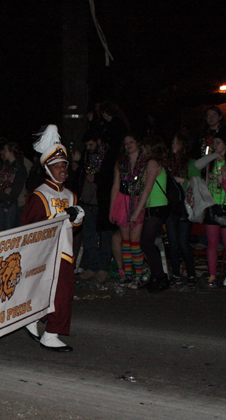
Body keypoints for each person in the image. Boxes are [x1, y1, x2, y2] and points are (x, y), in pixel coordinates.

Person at [22, 125, 84, 352]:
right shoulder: (39, 194)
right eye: (57, 166)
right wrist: (58, 217)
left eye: (64, 165)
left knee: (63, 292)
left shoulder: (70, 194)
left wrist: (76, 220)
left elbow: (72, 228)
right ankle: (44, 328)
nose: (62, 170)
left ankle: (41, 325)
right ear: (47, 169)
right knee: (51, 291)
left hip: (65, 251)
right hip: (45, 253)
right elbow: (30, 228)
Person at [195, 130, 226, 288]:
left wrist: (224, 177)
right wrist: (214, 155)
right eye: (214, 143)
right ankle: (212, 276)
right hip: (212, 206)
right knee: (212, 243)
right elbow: (197, 164)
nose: (215, 146)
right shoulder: (211, 161)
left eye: (219, 142)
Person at [128, 136, 171, 292]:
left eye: (145, 147)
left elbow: (148, 188)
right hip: (155, 206)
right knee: (147, 242)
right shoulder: (154, 163)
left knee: (146, 242)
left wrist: (136, 212)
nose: (143, 150)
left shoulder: (153, 163)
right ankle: (157, 276)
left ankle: (160, 277)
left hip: (157, 207)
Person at [76, 132, 116, 283]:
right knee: (88, 237)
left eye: (91, 145)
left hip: (102, 204)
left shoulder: (109, 157)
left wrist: (98, 178)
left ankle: (103, 268)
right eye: (87, 145)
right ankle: (91, 267)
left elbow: (111, 178)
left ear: (99, 141)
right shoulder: (86, 157)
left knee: (105, 237)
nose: (89, 148)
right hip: (86, 202)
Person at [108, 134, 146, 285]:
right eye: (126, 143)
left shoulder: (145, 163)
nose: (128, 145)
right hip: (122, 201)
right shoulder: (121, 163)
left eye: (131, 142)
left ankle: (138, 275)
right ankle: (127, 274)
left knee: (135, 241)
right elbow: (116, 186)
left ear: (138, 143)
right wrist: (112, 209)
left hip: (138, 201)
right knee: (126, 241)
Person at [165, 133, 200, 287]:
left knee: (183, 242)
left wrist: (182, 181)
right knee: (172, 243)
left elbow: (196, 185)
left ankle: (191, 274)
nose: (173, 144)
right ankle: (176, 274)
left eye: (176, 141)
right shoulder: (167, 163)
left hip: (185, 207)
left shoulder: (192, 163)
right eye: (173, 141)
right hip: (170, 206)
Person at [0, 142, 26, 233]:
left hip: (9, 204)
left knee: (8, 232)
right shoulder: (3, 167)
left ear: (11, 152)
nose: (3, 152)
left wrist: (8, 203)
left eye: (5, 150)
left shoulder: (19, 167)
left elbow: (17, 187)